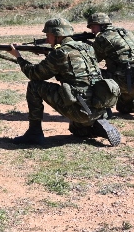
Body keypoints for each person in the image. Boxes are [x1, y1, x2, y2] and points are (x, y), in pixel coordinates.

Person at [8, 18, 121, 147]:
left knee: (34, 86)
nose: (47, 40)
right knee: (76, 129)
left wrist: (18, 57)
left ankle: (34, 133)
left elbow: (34, 74)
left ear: (57, 35)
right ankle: (96, 124)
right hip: (99, 105)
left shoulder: (59, 53)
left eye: (48, 35)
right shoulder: (87, 48)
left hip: (80, 109)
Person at [85, 13, 134, 119]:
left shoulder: (102, 38)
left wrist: (86, 46)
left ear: (101, 25)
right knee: (124, 107)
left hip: (123, 81)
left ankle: (102, 109)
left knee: (89, 75)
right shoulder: (125, 32)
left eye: (93, 27)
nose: (92, 31)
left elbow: (93, 59)